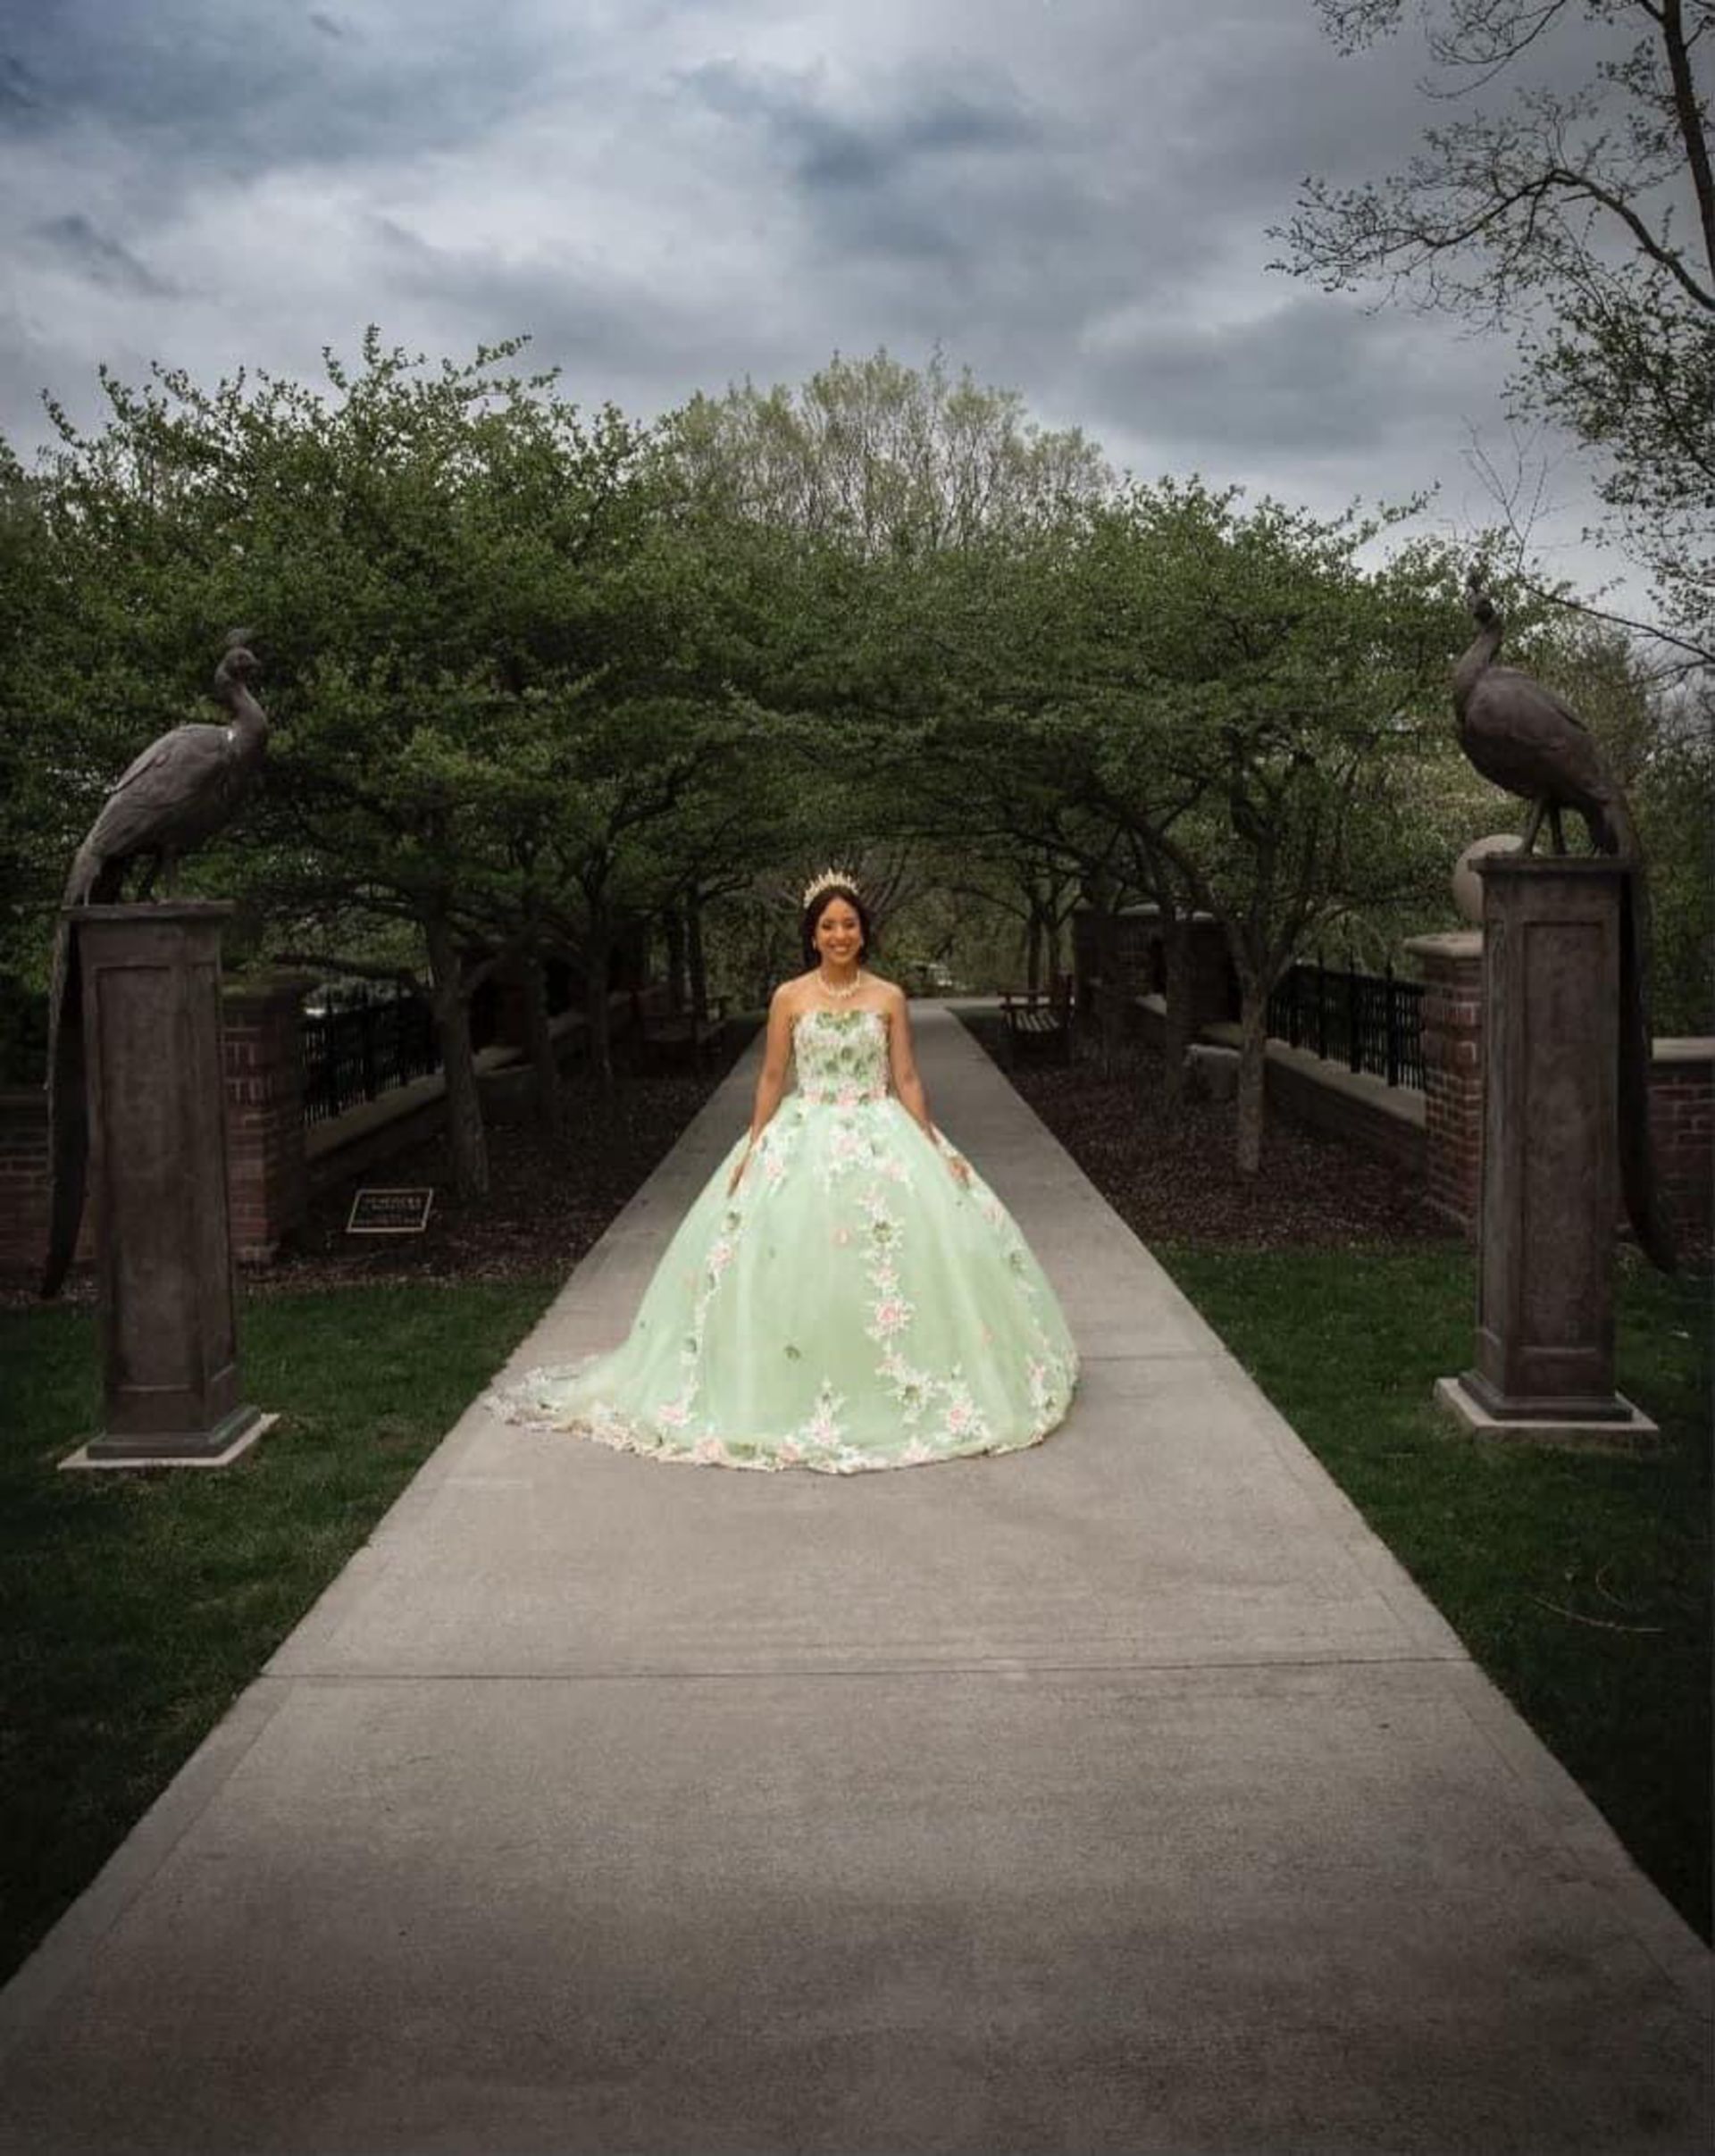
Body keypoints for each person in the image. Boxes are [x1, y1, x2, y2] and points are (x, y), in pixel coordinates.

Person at [488, 870, 1078, 1473]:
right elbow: (773, 1076)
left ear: (863, 932)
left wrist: (929, 1145)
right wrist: (753, 1144)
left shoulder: (889, 997)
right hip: (805, 1131)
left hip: (881, 1130)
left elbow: (905, 1079)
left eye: (849, 924)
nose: (840, 934)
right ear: (813, 935)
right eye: (828, 926)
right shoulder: (790, 998)